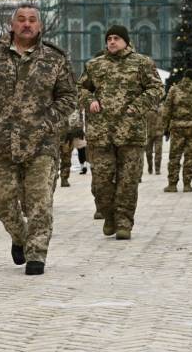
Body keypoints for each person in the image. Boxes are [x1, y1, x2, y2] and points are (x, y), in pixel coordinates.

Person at [0, 3, 76, 275]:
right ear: (12, 24)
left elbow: (68, 97)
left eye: (32, 20)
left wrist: (47, 122)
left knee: (39, 199)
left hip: (41, 142)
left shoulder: (54, 58)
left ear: (39, 26)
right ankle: (20, 236)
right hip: (1, 141)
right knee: (0, 197)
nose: (27, 24)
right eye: (21, 20)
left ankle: (37, 253)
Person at [78, 25, 162, 239]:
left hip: (131, 132)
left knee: (128, 182)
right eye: (109, 38)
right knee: (101, 182)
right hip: (101, 133)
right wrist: (90, 100)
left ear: (126, 41)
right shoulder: (94, 65)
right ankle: (108, 215)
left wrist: (138, 106)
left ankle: (124, 223)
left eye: (116, 38)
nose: (112, 42)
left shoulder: (142, 63)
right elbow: (81, 89)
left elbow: (157, 88)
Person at [162, 70, 192, 194]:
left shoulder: (174, 90)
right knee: (190, 156)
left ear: (184, 77)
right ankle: (187, 184)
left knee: (174, 156)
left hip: (177, 127)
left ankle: (172, 184)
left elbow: (167, 110)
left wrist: (165, 128)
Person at [58, 109, 84, 188]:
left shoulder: (76, 103)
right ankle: (52, 178)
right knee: (53, 157)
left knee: (66, 157)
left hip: (69, 134)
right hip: (57, 132)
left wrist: (79, 129)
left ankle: (64, 178)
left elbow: (79, 117)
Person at [144, 105, 164, 176]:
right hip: (149, 134)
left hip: (159, 133)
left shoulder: (162, 109)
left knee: (158, 152)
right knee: (148, 153)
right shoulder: (147, 109)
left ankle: (157, 169)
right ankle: (150, 167)